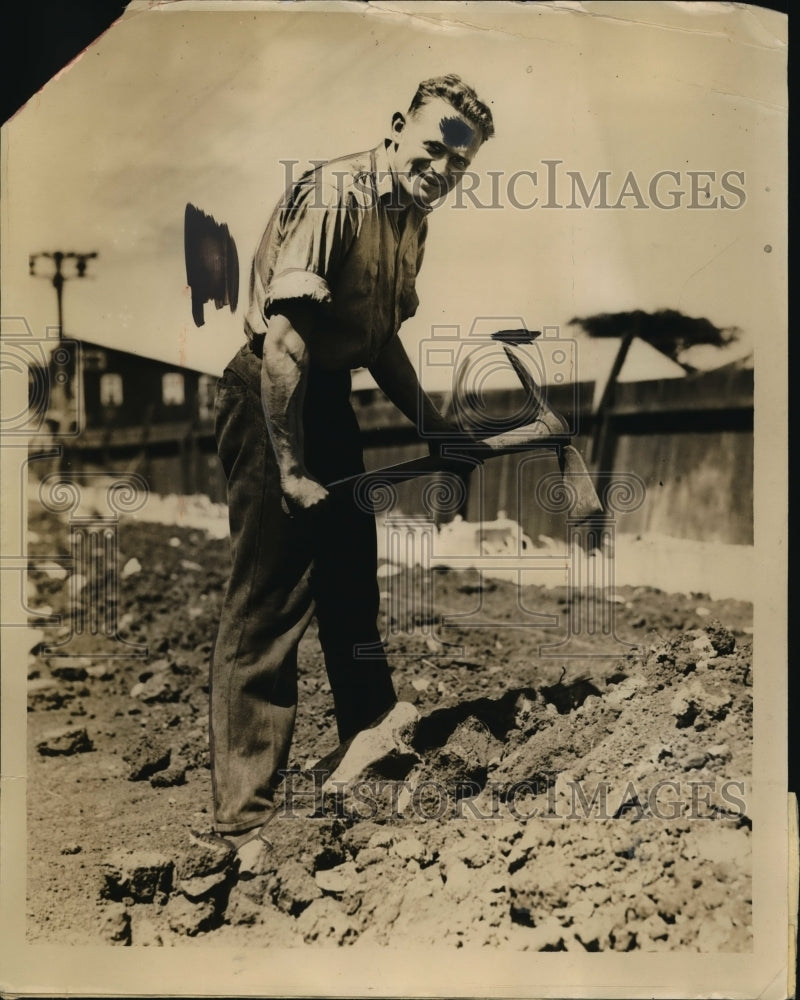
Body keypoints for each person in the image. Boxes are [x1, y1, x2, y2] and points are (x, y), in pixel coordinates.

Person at [210, 74, 494, 854]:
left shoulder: (413, 217)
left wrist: (437, 427)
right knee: (267, 605)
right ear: (398, 126)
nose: (441, 170)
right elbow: (285, 341)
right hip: (275, 399)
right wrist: (293, 466)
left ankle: (374, 759)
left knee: (350, 589)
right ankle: (243, 826)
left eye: (458, 165)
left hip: (324, 398)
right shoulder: (339, 192)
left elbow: (378, 340)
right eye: (433, 148)